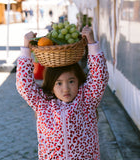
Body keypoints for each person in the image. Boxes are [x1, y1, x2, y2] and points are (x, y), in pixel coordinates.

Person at [16, 25, 109, 160]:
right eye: (59, 83)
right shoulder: (43, 103)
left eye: (71, 81)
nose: (66, 88)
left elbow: (100, 77)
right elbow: (23, 85)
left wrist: (92, 44)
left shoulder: (87, 100)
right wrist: (26, 49)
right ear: (51, 85)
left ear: (79, 81)